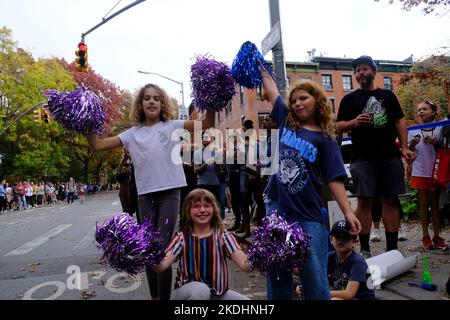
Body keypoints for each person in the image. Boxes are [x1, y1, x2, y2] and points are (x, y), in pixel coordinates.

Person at [86, 83, 215, 300]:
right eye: (147, 98)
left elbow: (207, 124)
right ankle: (154, 296)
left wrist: (212, 101)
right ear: (140, 104)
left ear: (163, 103)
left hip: (170, 193)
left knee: (161, 249)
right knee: (146, 248)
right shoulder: (131, 134)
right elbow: (97, 146)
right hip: (145, 196)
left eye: (156, 98)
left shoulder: (172, 126)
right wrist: (86, 122)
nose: (152, 101)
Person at [260, 65, 361, 300]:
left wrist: (348, 212)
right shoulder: (286, 121)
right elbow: (273, 91)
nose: (297, 104)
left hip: (308, 213)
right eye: (293, 100)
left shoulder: (325, 140)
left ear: (317, 101)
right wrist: (262, 69)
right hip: (278, 208)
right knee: (277, 269)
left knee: (313, 273)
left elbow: (334, 179)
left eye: (303, 98)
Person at [336, 55, 415, 258]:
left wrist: (404, 147)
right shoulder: (349, 99)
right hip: (362, 158)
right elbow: (338, 126)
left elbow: (399, 121)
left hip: (389, 156)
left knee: (390, 200)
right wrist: (354, 122)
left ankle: (392, 250)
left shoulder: (387, 96)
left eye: (365, 69)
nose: (361, 73)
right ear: (355, 76)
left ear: (373, 71)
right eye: (357, 71)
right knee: (365, 202)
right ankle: (364, 249)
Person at [152, 188, 251, 300]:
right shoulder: (181, 238)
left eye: (207, 205)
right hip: (188, 292)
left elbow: (245, 266)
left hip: (217, 294)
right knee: (201, 291)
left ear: (214, 209)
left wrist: (261, 254)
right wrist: (146, 255)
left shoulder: (224, 236)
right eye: (196, 206)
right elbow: (161, 266)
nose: (202, 210)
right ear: (188, 211)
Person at [408, 100, 448, 251]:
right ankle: (425, 235)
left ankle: (437, 235)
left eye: (425, 109)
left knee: (435, 206)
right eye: (419, 110)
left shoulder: (440, 128)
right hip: (420, 171)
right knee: (424, 205)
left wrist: (435, 143)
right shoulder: (413, 129)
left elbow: (445, 148)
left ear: (433, 112)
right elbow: (408, 152)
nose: (421, 112)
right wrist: (412, 144)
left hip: (437, 171)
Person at [328, 220, 375, 300]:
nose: (341, 240)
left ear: (354, 242)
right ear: (331, 239)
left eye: (346, 237)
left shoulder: (357, 262)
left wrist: (321, 292)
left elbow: (349, 294)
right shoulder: (329, 257)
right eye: (337, 236)